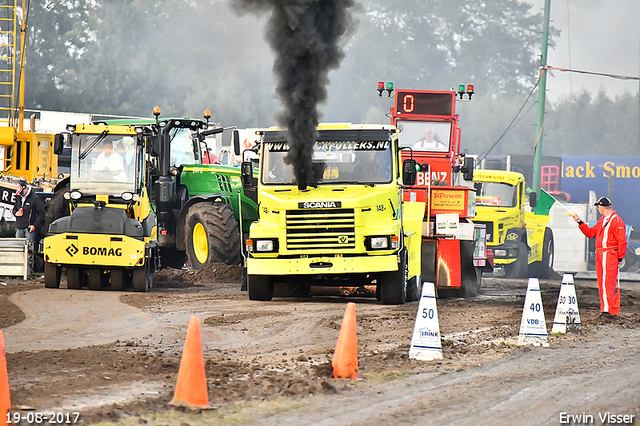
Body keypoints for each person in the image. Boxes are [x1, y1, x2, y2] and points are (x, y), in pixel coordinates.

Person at [573, 196, 628, 320]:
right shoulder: (603, 220)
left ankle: (608, 310)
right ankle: (605, 309)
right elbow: (591, 233)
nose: (598, 209)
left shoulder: (616, 221)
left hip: (609, 254)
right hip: (601, 254)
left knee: (607, 282)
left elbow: (622, 241)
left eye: (598, 207)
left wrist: (619, 257)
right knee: (602, 282)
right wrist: (580, 222)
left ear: (603, 207)